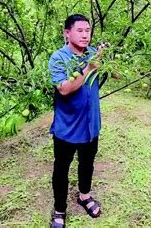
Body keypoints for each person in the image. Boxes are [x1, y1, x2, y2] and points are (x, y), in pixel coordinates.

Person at [48, 14, 103, 228]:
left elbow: (116, 75)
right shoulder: (58, 58)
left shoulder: (92, 54)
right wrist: (89, 68)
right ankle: (60, 209)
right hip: (67, 127)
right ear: (67, 33)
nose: (85, 35)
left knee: (87, 163)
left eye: (88, 30)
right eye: (79, 30)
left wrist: (106, 57)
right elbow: (64, 88)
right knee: (62, 168)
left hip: (91, 125)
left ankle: (84, 196)